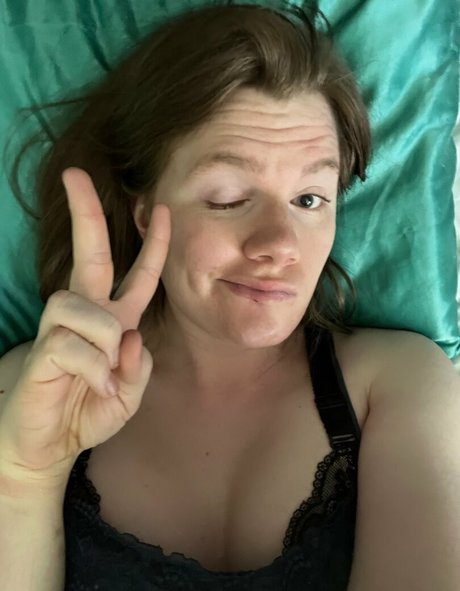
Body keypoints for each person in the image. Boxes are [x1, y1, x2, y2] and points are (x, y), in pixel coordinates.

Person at [0, 3, 459, 591]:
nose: (280, 245)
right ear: (144, 213)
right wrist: (25, 477)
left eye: (310, 199)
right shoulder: (35, 389)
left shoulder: (398, 387)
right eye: (227, 197)